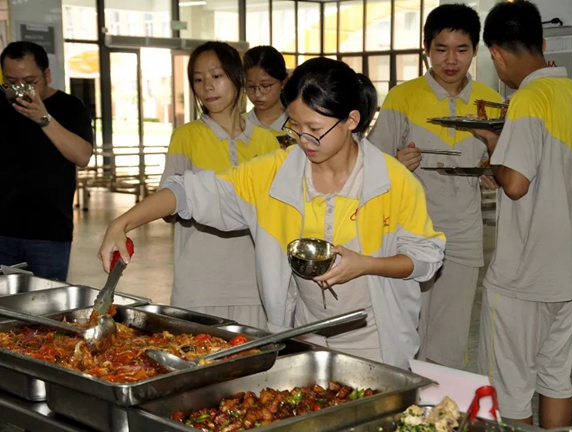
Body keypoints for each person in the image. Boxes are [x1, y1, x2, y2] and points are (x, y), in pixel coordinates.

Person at [99, 57, 446, 369]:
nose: (304, 140)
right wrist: (123, 222)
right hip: (304, 332)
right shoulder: (274, 175)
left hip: (375, 337)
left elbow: (425, 258)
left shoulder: (392, 181)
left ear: (351, 121)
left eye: (315, 129)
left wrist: (365, 264)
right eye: (295, 127)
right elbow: (188, 191)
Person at [473, 1, 572, 428]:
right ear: (542, 44)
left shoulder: (527, 100)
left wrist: (494, 147)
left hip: (523, 279)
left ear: (496, 53)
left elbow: (516, 184)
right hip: (571, 269)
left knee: (508, 392)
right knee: (555, 378)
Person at [368, 3, 501, 369]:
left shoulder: (490, 103)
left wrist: (491, 169)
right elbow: (371, 166)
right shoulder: (402, 97)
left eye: (461, 50)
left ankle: (441, 415)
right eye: (441, 49)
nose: (451, 60)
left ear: (476, 50)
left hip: (464, 233)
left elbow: (499, 170)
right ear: (426, 48)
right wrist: (397, 164)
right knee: (406, 327)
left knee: (451, 335)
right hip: (411, 232)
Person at [159, 41, 279, 327]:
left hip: (255, 286)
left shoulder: (266, 141)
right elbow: (167, 207)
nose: (207, 87)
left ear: (237, 78)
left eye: (216, 76)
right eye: (198, 80)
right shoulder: (185, 136)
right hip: (199, 285)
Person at [0, 41, 93, 281]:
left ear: (47, 75)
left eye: (30, 82)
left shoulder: (70, 107)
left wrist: (43, 118)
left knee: (46, 306)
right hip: (2, 229)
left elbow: (82, 156)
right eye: (11, 83)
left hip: (49, 231)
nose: (20, 90)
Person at [243, 46, 290, 148]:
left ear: (283, 82)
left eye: (265, 86)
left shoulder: (298, 125)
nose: (257, 94)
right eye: (251, 86)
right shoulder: (239, 126)